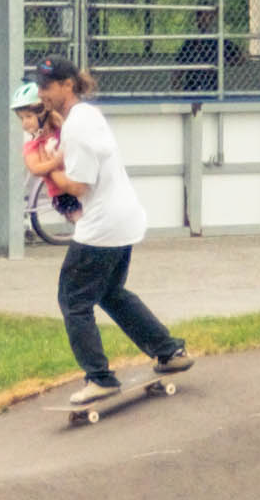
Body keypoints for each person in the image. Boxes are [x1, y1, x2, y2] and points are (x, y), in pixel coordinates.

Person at [32, 51, 189, 400]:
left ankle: (99, 378)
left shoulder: (77, 124)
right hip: (123, 219)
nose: (41, 92)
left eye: (47, 86)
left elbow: (79, 186)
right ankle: (167, 351)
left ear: (67, 85)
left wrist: (46, 171)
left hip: (102, 226)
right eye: (39, 85)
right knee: (110, 293)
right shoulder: (86, 115)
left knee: (72, 299)